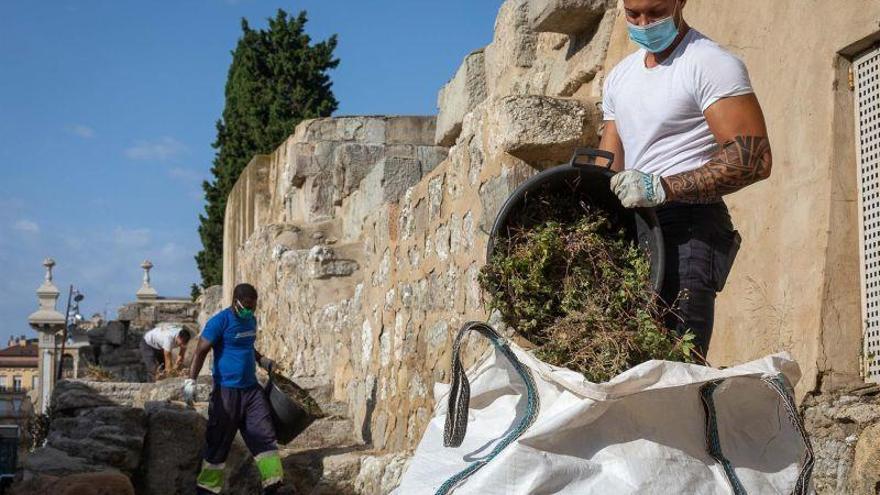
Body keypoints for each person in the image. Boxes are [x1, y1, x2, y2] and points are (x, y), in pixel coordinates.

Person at [599, 0, 771, 357]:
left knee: (676, 363)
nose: (644, 23)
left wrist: (663, 187)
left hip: (690, 225)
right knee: (625, 362)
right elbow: (608, 167)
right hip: (639, 226)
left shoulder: (708, 63)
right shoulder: (620, 77)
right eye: (634, 15)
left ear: (680, 2)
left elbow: (754, 158)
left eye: (656, 12)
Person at [185, 283, 282, 495]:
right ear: (235, 301)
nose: (251, 310)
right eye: (247, 305)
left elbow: (247, 345)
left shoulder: (250, 320)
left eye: (254, 306)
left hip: (251, 391)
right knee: (218, 445)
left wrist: (262, 361)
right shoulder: (219, 322)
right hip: (226, 392)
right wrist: (190, 381)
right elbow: (201, 351)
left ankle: (273, 486)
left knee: (265, 437)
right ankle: (207, 490)